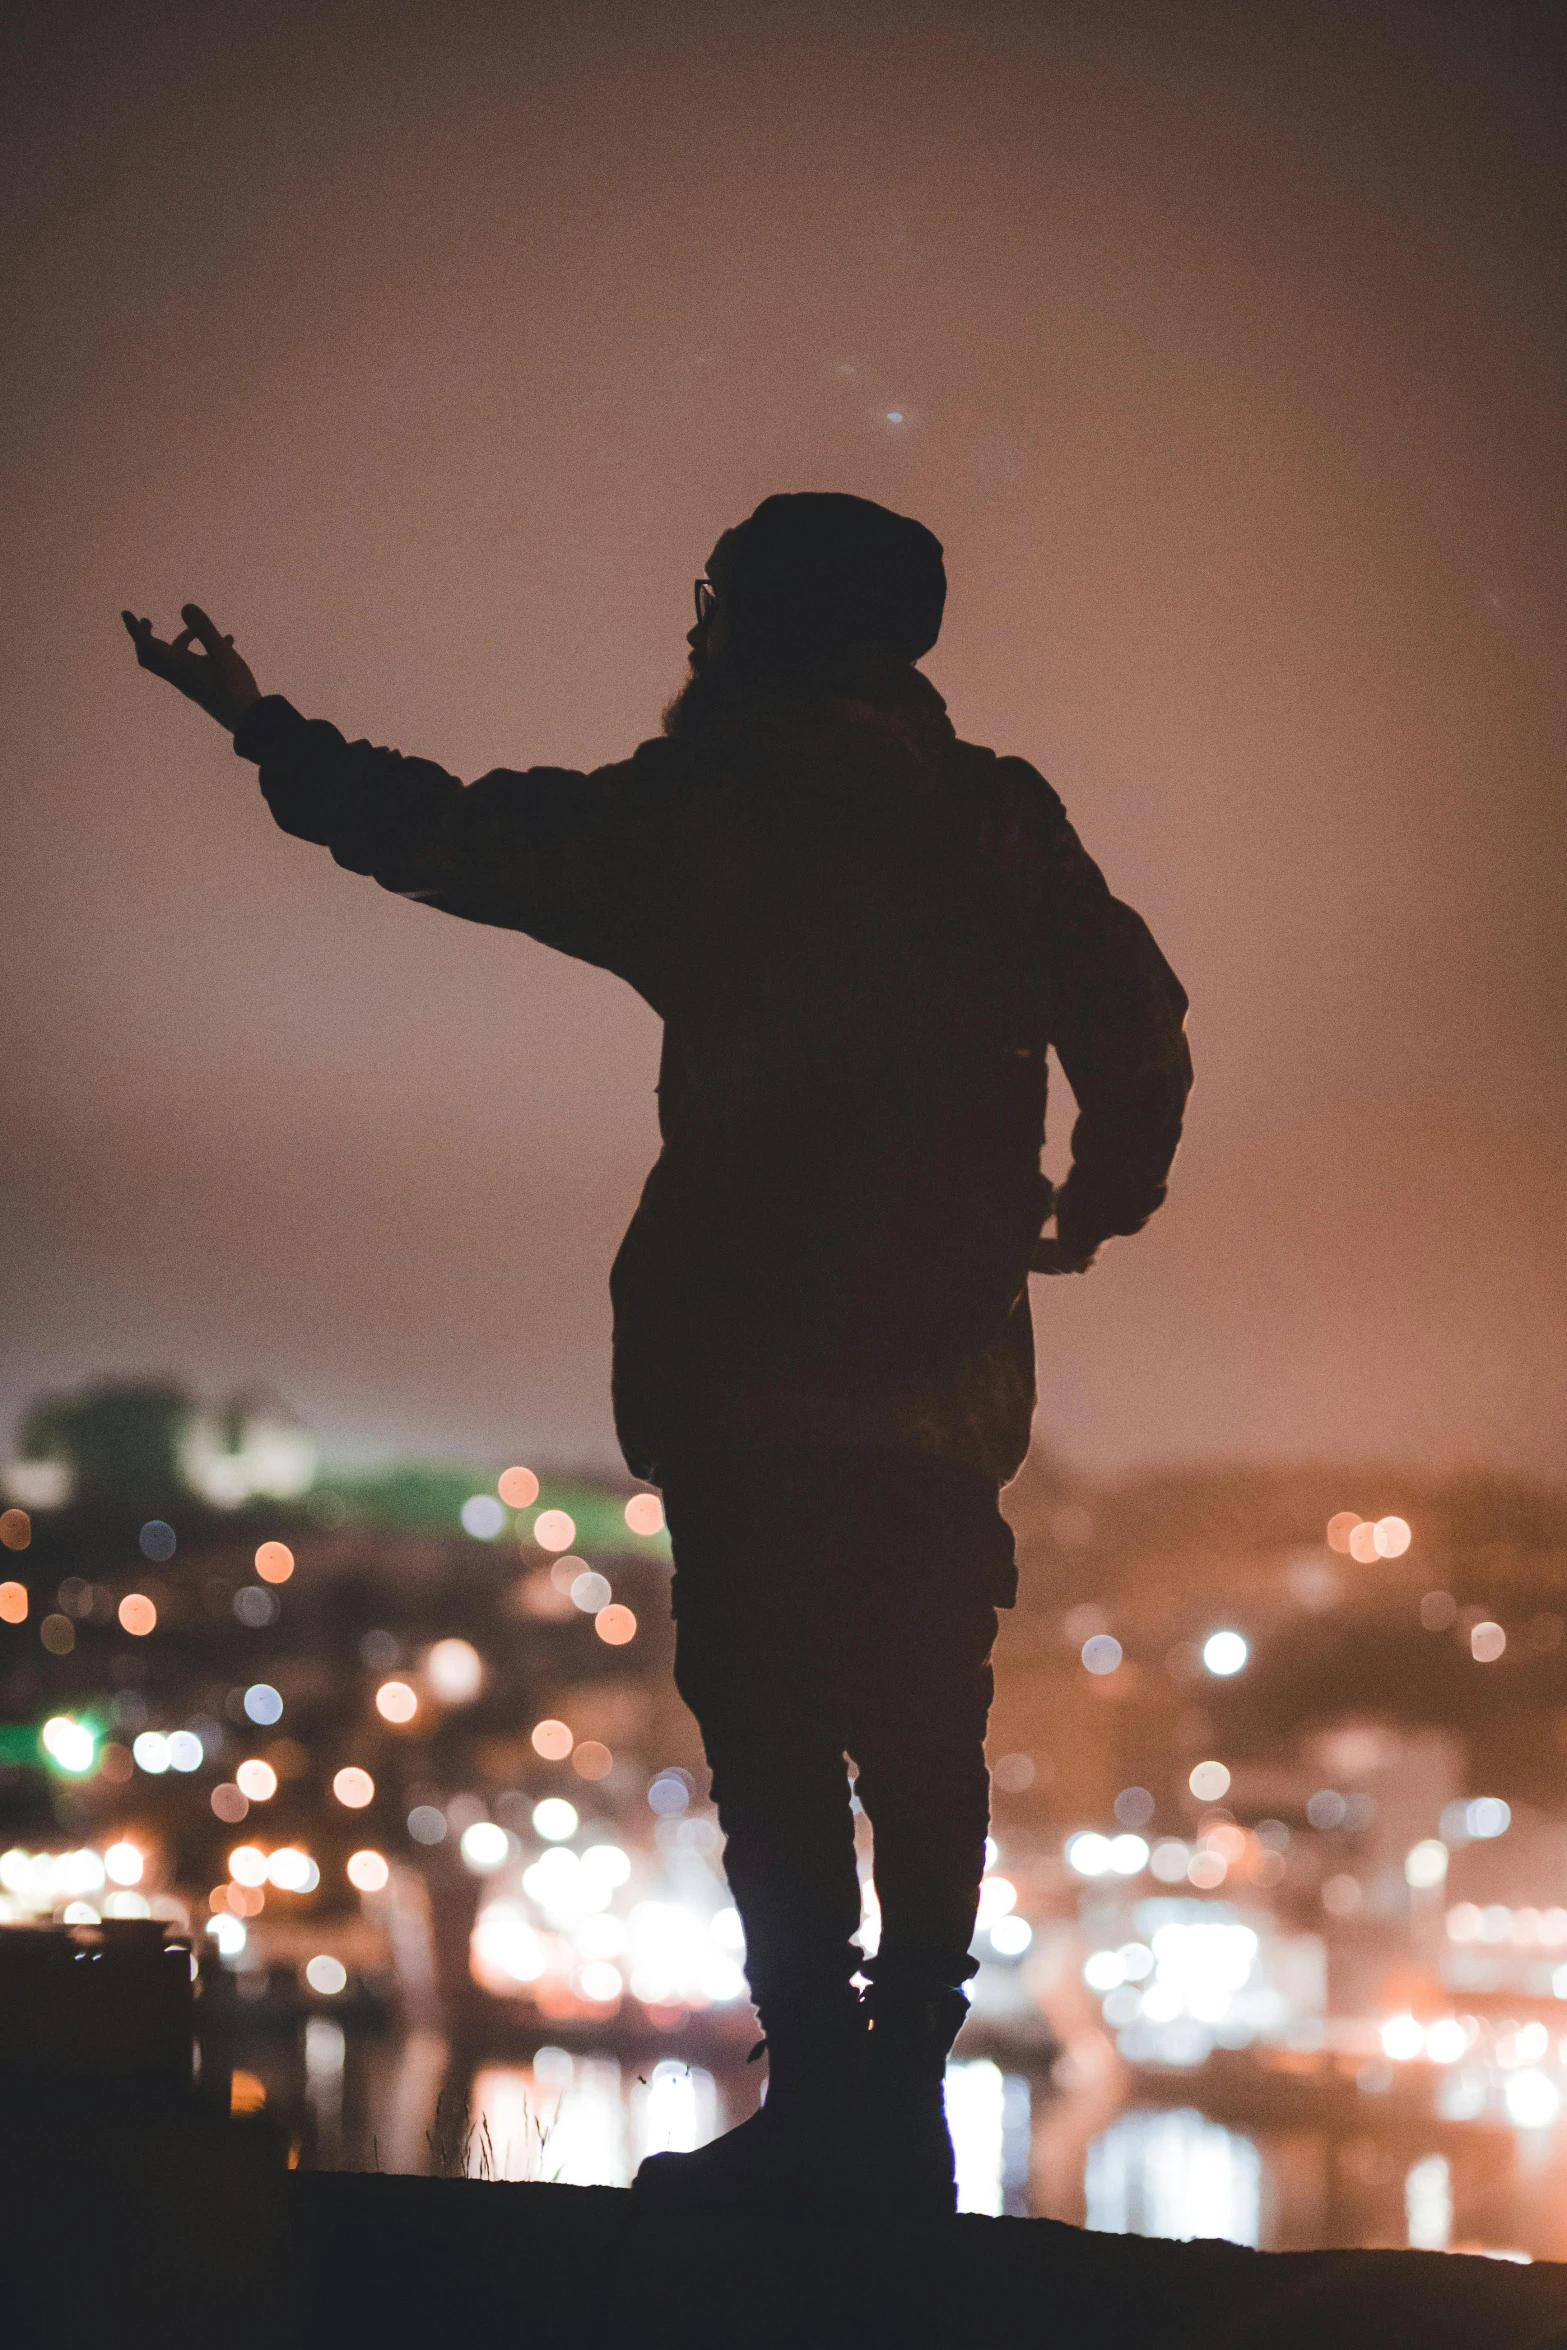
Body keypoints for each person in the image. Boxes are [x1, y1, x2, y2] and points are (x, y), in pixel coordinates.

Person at [123, 492, 1191, 2215]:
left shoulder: (714, 815)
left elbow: (445, 835)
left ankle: (818, 2101)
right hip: (945, 1376)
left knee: (770, 1743)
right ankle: (906, 2099)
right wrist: (1089, 1199)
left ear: (754, 623)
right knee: (925, 1732)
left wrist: (259, 721)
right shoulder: (996, 821)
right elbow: (1138, 1023)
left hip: (746, 1358)